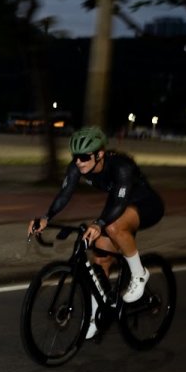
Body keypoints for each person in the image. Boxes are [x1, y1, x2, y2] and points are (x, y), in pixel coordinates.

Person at [28, 126, 164, 337]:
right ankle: (95, 315)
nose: (79, 162)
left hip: (145, 205)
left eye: (84, 157)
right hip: (118, 207)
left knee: (111, 226)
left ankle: (139, 274)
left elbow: (119, 202)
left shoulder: (121, 167)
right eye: (75, 157)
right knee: (100, 257)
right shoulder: (78, 167)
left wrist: (99, 223)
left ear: (99, 154)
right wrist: (46, 217)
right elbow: (65, 193)